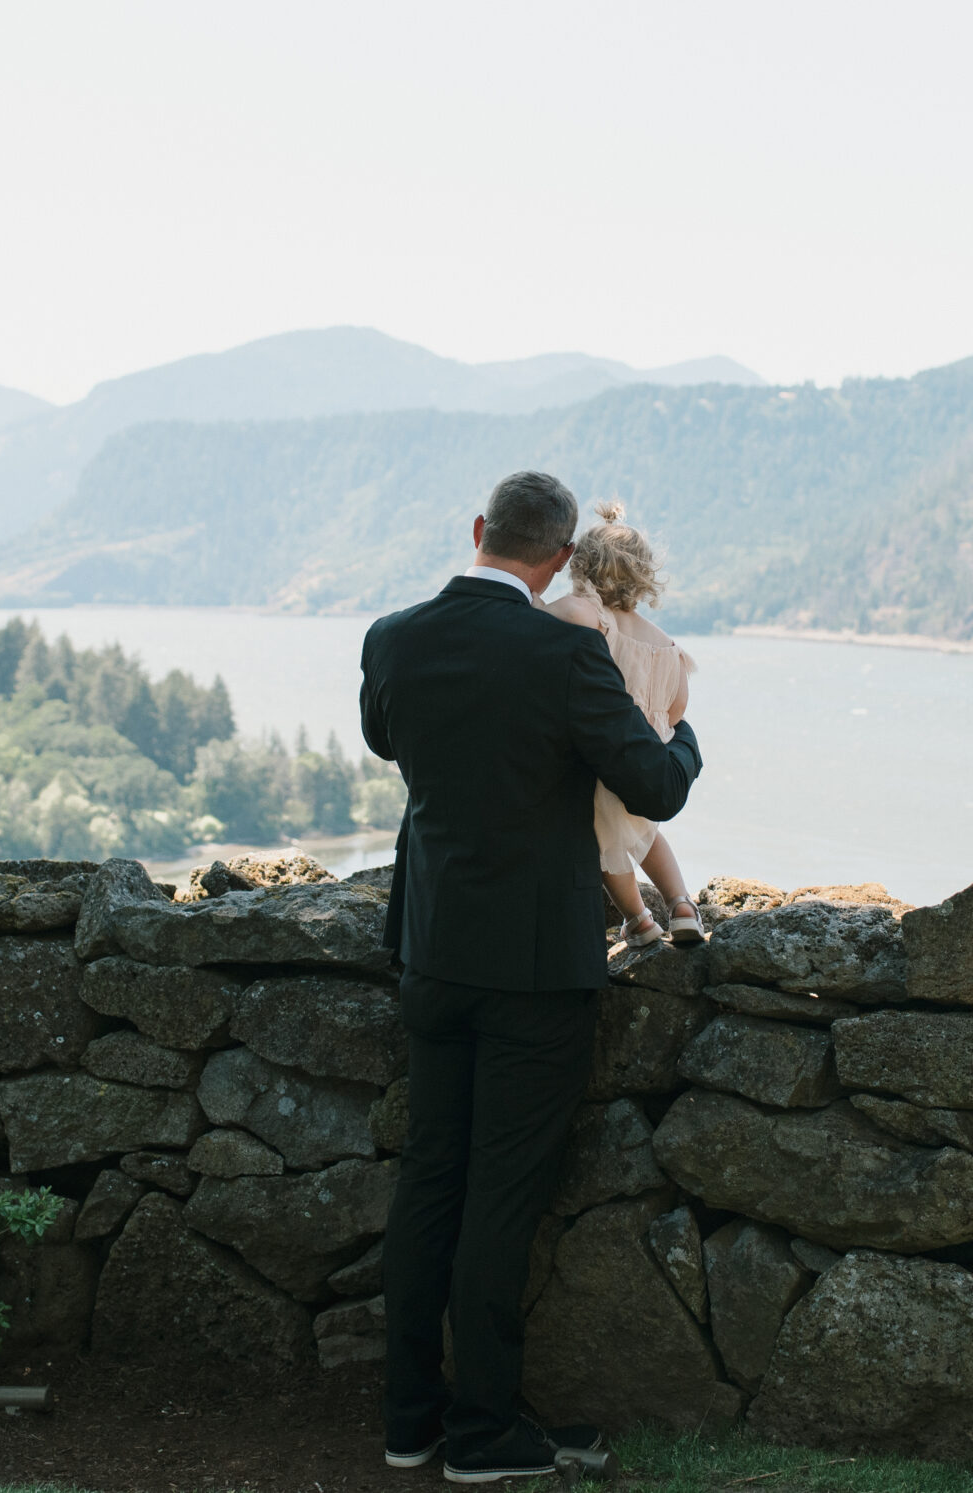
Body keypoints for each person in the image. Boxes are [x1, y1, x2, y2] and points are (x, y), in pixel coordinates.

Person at [361, 470, 702, 1483]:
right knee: (501, 1196)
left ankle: (409, 1419)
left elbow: (388, 738)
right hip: (535, 966)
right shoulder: (565, 650)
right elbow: (654, 786)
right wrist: (681, 731)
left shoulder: (393, 635)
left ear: (477, 531)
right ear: (559, 558)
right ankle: (483, 1432)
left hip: (429, 944)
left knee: (429, 1181)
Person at [544, 501, 704, 949]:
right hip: (648, 753)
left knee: (607, 847)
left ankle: (639, 919)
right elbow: (677, 709)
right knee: (647, 834)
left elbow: (547, 621)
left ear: (581, 564)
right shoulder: (664, 643)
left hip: (604, 756)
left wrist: (533, 604)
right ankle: (682, 905)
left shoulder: (588, 614)